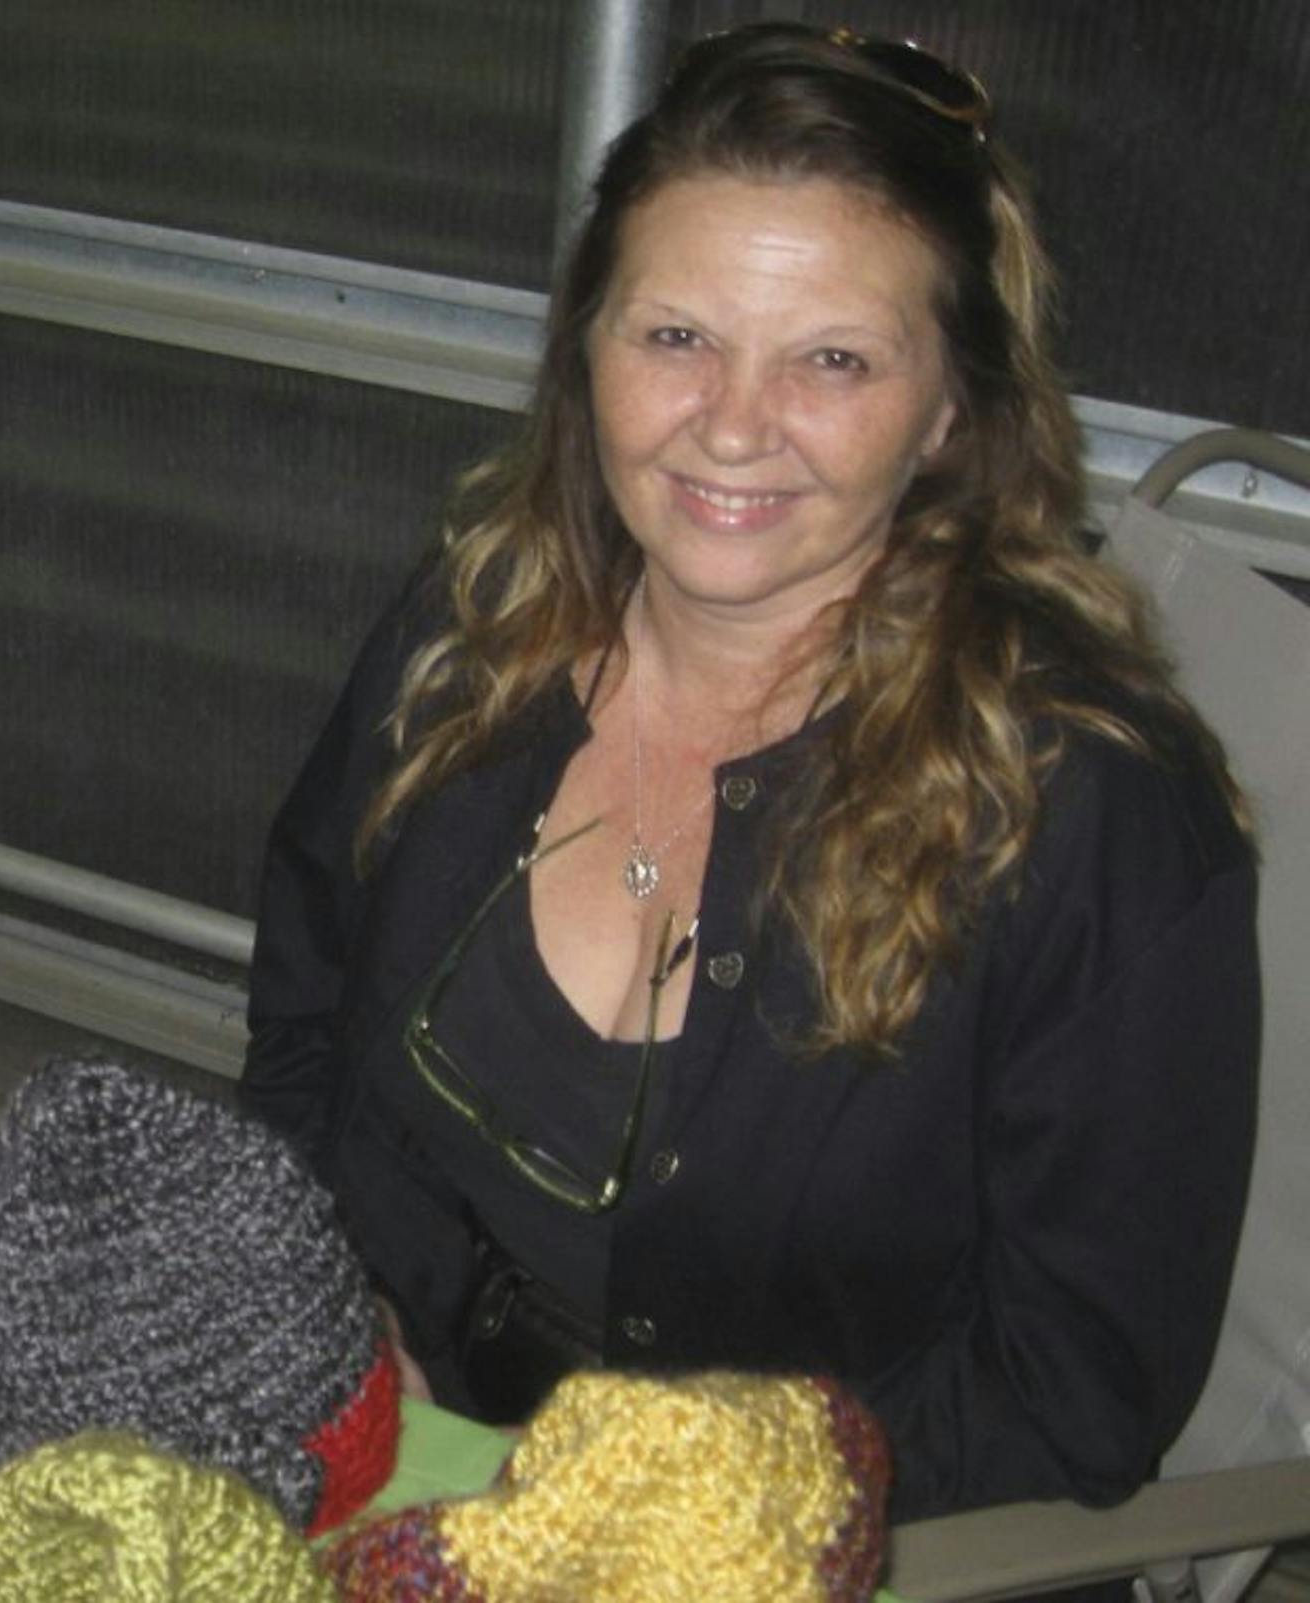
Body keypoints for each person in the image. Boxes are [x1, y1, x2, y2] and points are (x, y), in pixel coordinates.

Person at [238, 17, 1260, 1569]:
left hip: (820, 1556)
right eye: (676, 337)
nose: (730, 424)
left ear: (949, 413)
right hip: (408, 1476)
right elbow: (306, 1011)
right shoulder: (474, 632)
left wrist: (651, 1512)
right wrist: (341, 1314)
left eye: (833, 361)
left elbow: (1082, 1385)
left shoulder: (1093, 815)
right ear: (586, 349)